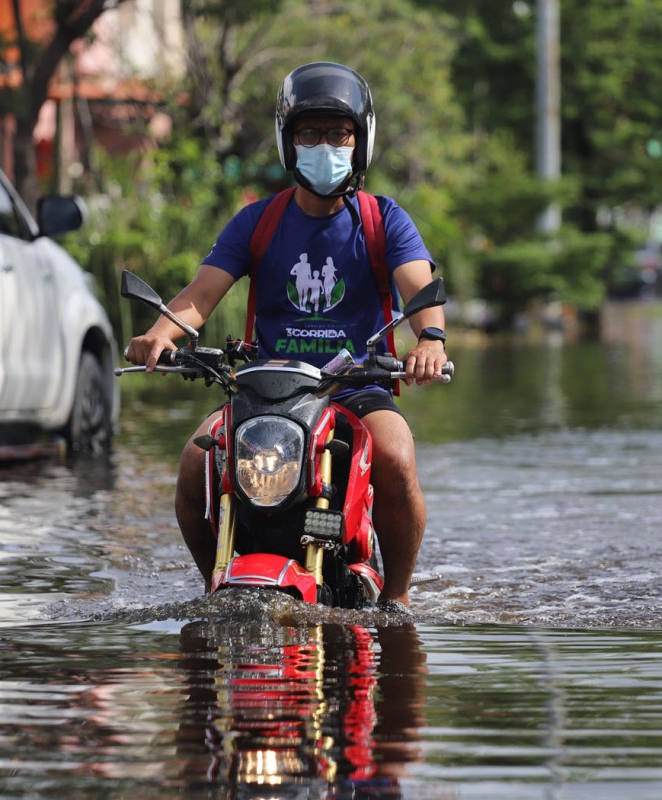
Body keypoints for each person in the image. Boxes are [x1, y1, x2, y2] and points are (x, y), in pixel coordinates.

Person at [125, 61, 448, 607]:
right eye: (310, 133)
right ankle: (216, 586)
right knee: (193, 465)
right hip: (266, 390)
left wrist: (431, 341)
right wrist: (161, 332)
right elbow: (200, 296)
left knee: (395, 455)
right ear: (288, 141)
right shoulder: (257, 221)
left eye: (338, 134)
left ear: (360, 141)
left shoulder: (384, 219)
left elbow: (420, 287)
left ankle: (398, 599)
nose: (325, 146)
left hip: (354, 387)